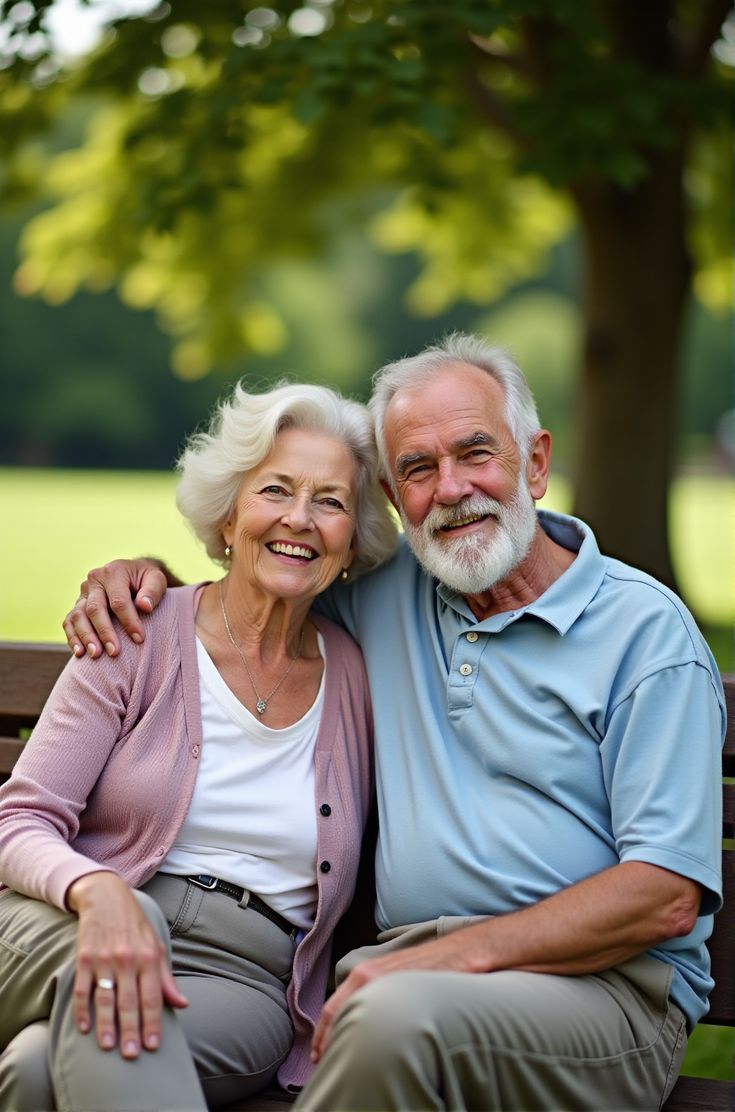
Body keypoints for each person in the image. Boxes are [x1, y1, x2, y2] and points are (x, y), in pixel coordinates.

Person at [61, 333, 726, 1111]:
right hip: (402, 981)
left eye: (474, 453)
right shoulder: (386, 593)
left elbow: (663, 895)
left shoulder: (645, 636)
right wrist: (143, 580)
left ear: (535, 463)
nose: (449, 490)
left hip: (604, 997)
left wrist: (446, 962)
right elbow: (257, 600)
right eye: (416, 469)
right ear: (392, 494)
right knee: (50, 1066)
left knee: (388, 1019)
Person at [0, 380, 397, 1112]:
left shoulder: (360, 679)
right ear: (227, 512)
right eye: (275, 489)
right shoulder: (135, 633)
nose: (299, 519)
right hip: (72, 921)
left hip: (239, 981)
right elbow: (18, 820)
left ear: (353, 539)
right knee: (102, 985)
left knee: (35, 1068)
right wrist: (100, 893)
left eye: (331, 501)